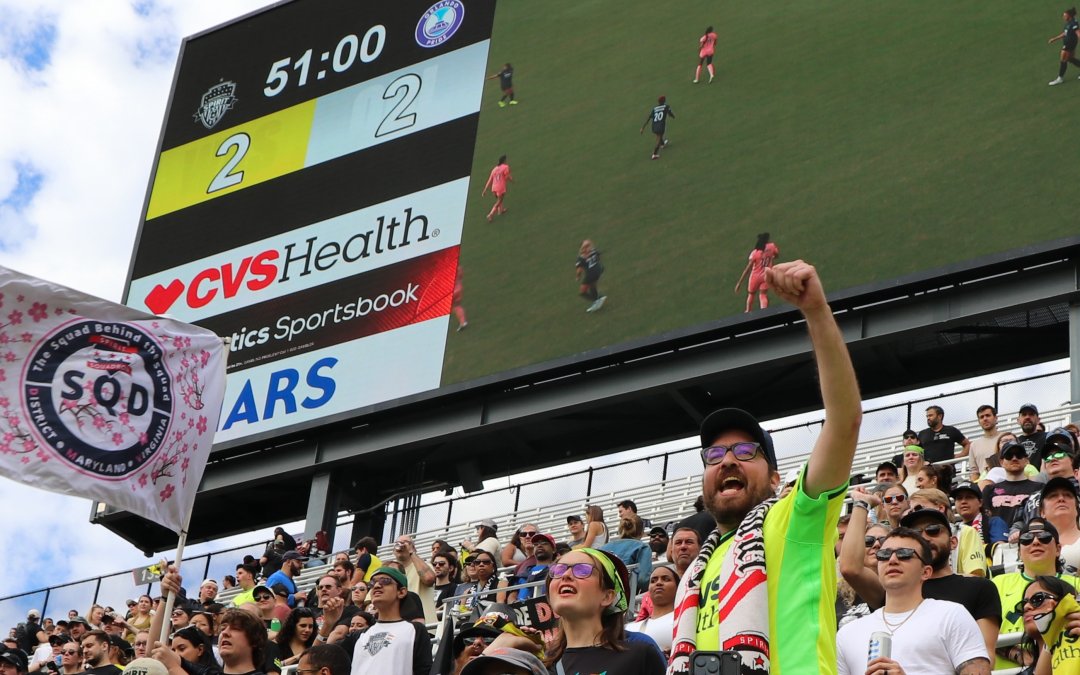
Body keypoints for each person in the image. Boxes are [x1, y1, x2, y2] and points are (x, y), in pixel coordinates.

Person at [669, 260, 861, 674]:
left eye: (745, 451)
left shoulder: (795, 520)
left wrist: (815, 312)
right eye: (715, 456)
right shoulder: (693, 573)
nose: (729, 461)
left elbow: (844, 420)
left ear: (776, 479)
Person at [835, 528, 991, 675]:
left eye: (904, 554)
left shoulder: (951, 615)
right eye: (884, 554)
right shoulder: (847, 633)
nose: (893, 560)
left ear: (926, 572)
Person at [899, 507, 1000, 656]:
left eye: (933, 530)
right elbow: (852, 570)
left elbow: (984, 656)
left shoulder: (980, 588)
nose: (925, 538)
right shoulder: (897, 591)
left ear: (953, 542)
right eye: (915, 534)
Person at [990, 517, 1080, 669]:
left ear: (1058, 549)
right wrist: (1023, 657)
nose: (1035, 542)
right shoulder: (997, 583)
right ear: (1019, 551)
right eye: (1026, 539)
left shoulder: (1077, 583)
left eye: (1044, 537)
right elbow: (980, 634)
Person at [335, 568, 432, 675]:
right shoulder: (359, 635)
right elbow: (323, 659)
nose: (376, 585)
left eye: (385, 581)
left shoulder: (415, 630)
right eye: (372, 583)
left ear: (401, 592)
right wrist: (329, 623)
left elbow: (424, 670)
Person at [625, 566, 679, 655]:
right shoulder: (630, 629)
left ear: (678, 587)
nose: (658, 583)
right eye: (653, 581)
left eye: (666, 579)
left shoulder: (684, 621)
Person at [599, 515, 653, 596]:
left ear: (620, 530)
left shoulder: (602, 548)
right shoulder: (642, 547)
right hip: (624, 599)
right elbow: (643, 579)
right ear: (642, 532)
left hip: (600, 598)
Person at [734, 233, 780, 313]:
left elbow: (747, 269)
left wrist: (739, 283)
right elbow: (776, 255)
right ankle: (764, 311)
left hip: (755, 276)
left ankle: (748, 310)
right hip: (766, 275)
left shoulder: (755, 253)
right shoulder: (772, 246)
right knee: (763, 294)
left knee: (751, 294)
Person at [967, 404, 1005, 477]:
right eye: (981, 417)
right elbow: (974, 472)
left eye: (988, 415)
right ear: (979, 421)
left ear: (996, 418)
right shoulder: (974, 445)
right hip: (985, 485)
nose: (985, 419)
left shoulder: (1006, 437)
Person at [573, 240, 606, 314]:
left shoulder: (580, 258)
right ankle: (598, 298)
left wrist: (578, 277)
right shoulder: (594, 251)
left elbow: (579, 270)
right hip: (599, 270)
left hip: (591, 274)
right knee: (592, 285)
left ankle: (597, 300)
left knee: (583, 292)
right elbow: (598, 256)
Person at [1049, 8, 1080, 85]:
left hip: (1069, 44)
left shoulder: (1073, 24)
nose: (1063, 17)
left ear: (1069, 16)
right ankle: (1060, 78)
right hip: (1069, 43)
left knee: (1063, 59)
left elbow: (1078, 33)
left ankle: (1060, 78)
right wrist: (1055, 39)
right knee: (1070, 59)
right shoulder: (1069, 23)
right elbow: (1065, 33)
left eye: (1065, 16)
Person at [640, 95, 674, 160]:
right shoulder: (666, 107)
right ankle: (654, 154)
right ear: (664, 101)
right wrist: (673, 116)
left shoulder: (655, 108)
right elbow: (670, 113)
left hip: (654, 126)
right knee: (658, 138)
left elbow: (649, 118)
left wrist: (643, 127)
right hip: (660, 125)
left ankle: (663, 144)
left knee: (659, 136)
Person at [480, 156, 512, 223]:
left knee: (499, 199)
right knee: (499, 201)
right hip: (500, 187)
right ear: (504, 161)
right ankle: (490, 214)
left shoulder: (494, 169)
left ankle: (500, 210)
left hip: (494, 188)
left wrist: (485, 189)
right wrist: (512, 180)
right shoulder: (505, 167)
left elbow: (490, 180)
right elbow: (507, 176)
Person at [451, 267, 467, 332]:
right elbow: (461, 275)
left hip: (452, 291)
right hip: (459, 288)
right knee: (457, 306)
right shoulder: (458, 268)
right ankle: (463, 322)